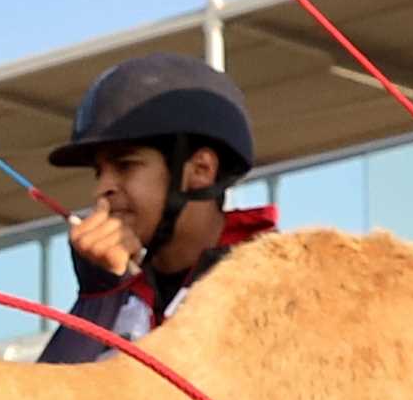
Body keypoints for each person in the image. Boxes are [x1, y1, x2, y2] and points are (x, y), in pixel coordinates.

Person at [34, 55, 278, 359]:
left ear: (200, 170)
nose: (101, 189)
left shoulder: (280, 284)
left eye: (125, 165)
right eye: (99, 172)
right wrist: (95, 299)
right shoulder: (118, 295)